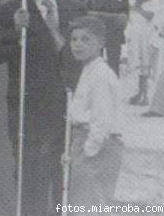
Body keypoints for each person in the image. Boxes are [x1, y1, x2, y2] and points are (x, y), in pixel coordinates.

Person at [0, 0, 85, 216]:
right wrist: (16, 33)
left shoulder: (74, 8)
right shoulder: (10, 10)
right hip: (30, 113)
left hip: (71, 111)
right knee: (33, 184)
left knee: (69, 185)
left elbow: (85, 59)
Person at [67, 16, 123, 206]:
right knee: (81, 204)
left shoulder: (100, 74)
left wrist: (88, 152)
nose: (78, 45)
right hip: (83, 142)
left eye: (86, 39)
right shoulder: (88, 70)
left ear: (101, 43)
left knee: (89, 205)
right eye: (74, 39)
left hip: (96, 146)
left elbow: (102, 119)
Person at [86, 0, 129, 75]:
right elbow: (88, 12)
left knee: (114, 65)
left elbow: (124, 16)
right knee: (94, 63)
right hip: (97, 32)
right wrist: (113, 16)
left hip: (115, 34)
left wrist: (100, 14)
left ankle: (113, 90)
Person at [125, 0, 155, 106]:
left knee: (146, 66)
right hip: (135, 39)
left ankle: (146, 96)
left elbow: (150, 16)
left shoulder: (151, 4)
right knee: (138, 67)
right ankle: (140, 93)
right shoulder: (131, 6)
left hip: (146, 38)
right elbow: (129, 21)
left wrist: (138, 9)